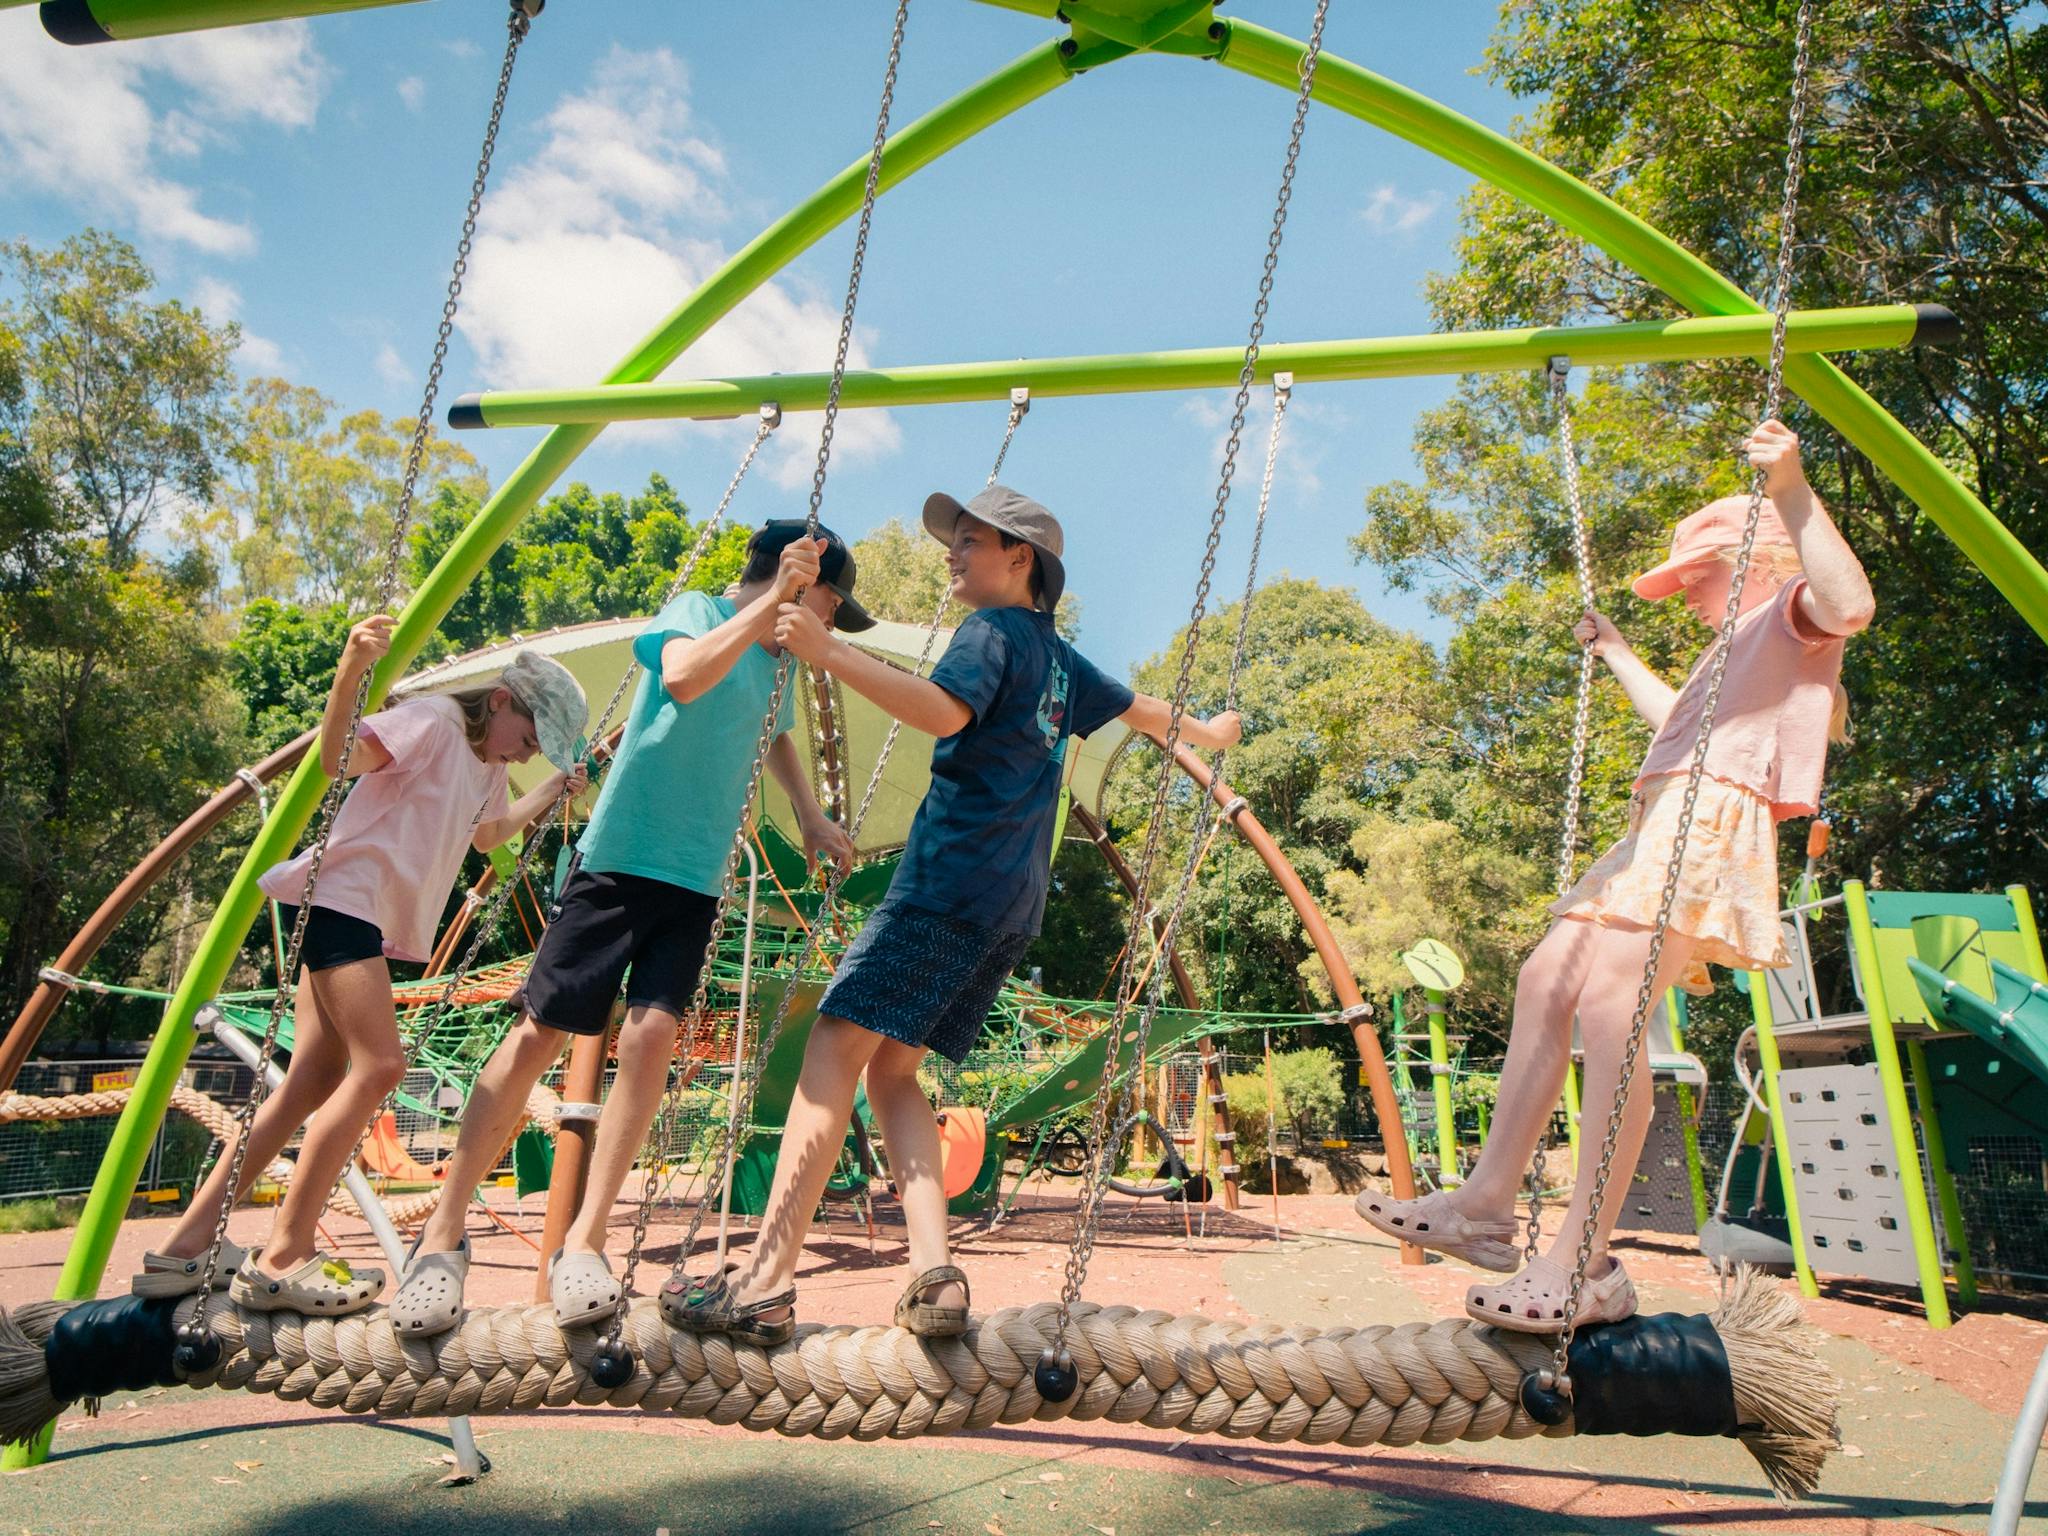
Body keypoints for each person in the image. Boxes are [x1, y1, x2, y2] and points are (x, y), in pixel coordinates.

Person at [664, 486, 1242, 1344]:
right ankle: (933, 1273)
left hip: (945, 882)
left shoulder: (992, 633)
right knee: (891, 1072)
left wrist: (826, 651)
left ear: (1021, 561)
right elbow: (1144, 715)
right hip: (1011, 906)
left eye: (969, 541)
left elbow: (943, 711)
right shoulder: (1059, 658)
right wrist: (1212, 731)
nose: (951, 553)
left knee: (832, 1044)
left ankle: (765, 1281)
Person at [1357, 418, 1874, 1332]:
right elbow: (1676, 717)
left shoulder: (1789, 610)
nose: (1682, 597)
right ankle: (1483, 1207)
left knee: (1611, 1010)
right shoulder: (1731, 650)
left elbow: (1850, 605)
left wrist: (1792, 488)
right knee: (1545, 975)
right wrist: (1618, 653)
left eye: (1695, 578)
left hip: (1705, 822)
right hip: (1657, 823)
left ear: (1754, 564)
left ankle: (1584, 1259)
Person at [388, 522, 867, 1336]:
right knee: (541, 1033)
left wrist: (812, 816)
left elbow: (774, 735)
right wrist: (772, 606)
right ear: (796, 580)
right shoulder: (699, 608)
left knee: (650, 1039)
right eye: (830, 602)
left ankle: (588, 1238)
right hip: (620, 858)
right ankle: (441, 1237)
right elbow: (683, 677)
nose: (829, 618)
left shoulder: (780, 658)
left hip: (698, 874)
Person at [133, 622, 588, 1316]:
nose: (523, 755)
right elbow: (337, 757)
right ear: (499, 701)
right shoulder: (435, 721)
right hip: (345, 900)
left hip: (360, 913)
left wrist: (549, 789)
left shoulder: (488, 767)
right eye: (526, 739)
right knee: (381, 1067)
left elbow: (489, 834)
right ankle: (283, 1256)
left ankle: (187, 1245)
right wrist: (352, 667)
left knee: (312, 1078)